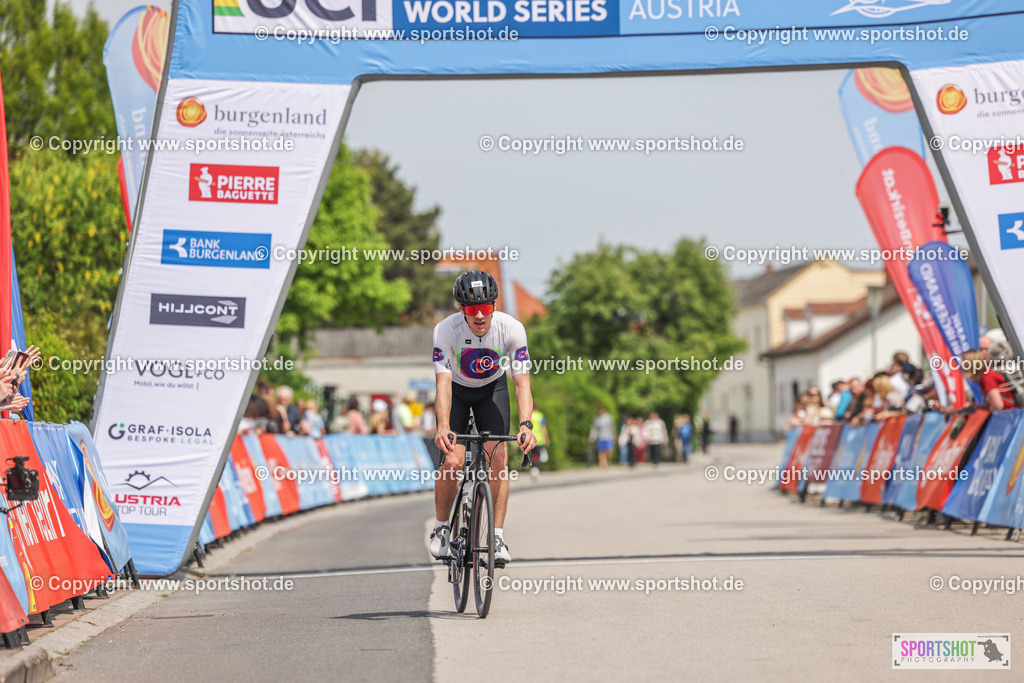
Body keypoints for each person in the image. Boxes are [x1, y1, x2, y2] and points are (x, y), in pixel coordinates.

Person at [430, 271, 537, 566]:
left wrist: (526, 424)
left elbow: (521, 383)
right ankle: (440, 530)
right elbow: (443, 385)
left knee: (498, 458)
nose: (479, 315)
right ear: (461, 309)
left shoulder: (512, 329)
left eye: (486, 308)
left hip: (493, 388)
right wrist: (442, 427)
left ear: (494, 305)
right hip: (458, 392)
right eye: (471, 309)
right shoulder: (445, 330)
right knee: (452, 460)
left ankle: (497, 535)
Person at [529, 408, 550, 478]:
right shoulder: (540, 415)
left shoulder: (527, 415)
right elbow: (543, 428)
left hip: (530, 439)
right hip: (539, 439)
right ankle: (536, 469)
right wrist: (546, 438)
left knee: (531, 454)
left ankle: (533, 468)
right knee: (537, 455)